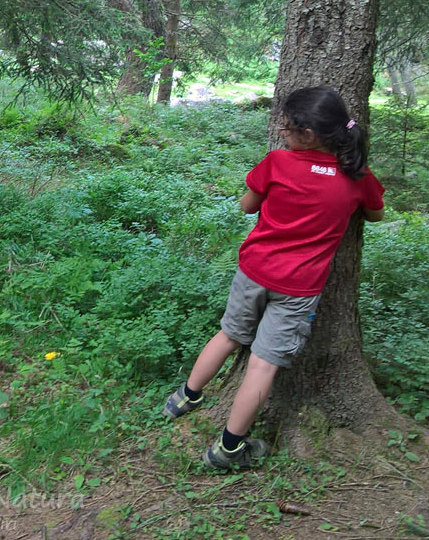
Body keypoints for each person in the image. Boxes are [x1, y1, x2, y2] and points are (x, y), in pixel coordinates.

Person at [161, 86, 385, 469]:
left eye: (286, 127)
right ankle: (229, 448)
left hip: (254, 270)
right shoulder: (357, 177)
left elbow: (248, 206)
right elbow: (376, 214)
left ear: (308, 134)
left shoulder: (277, 163)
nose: (281, 132)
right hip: (298, 287)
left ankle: (186, 396)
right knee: (263, 363)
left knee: (229, 335)